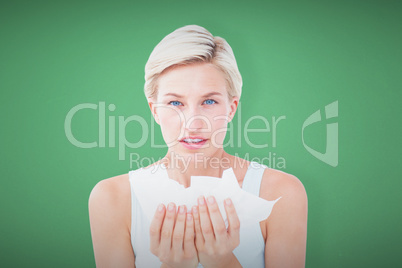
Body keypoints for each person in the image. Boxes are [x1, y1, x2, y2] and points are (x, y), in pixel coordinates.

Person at [89, 25, 308, 268]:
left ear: (231, 108)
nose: (193, 123)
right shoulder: (112, 199)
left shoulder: (281, 193)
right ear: (154, 110)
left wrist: (223, 262)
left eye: (209, 101)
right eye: (175, 102)